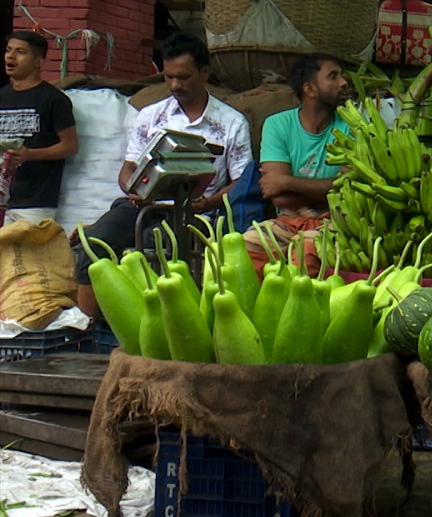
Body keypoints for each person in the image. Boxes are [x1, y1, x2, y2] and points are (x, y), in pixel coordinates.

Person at [75, 31, 252, 317]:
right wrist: (132, 188)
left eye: (183, 77)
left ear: (204, 73)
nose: (174, 84)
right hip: (144, 204)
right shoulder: (152, 116)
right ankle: (86, 329)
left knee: (152, 245)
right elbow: (129, 167)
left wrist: (209, 202)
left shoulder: (231, 123)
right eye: (168, 77)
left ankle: (154, 328)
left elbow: (241, 182)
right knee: (94, 243)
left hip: (197, 214)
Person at [242, 53, 349, 276]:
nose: (344, 82)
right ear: (310, 89)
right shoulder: (277, 125)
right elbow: (278, 196)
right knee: (248, 245)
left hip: (336, 222)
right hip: (287, 220)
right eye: (333, 76)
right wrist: (328, 188)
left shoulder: (353, 126)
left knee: (306, 253)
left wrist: (287, 181)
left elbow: (348, 190)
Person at [0, 31, 78, 225]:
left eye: (20, 52)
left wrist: (30, 155)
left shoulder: (53, 99)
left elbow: (70, 146)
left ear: (38, 62)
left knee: (27, 256)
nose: (10, 56)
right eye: (8, 50)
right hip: (3, 198)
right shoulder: (1, 96)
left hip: (35, 201)